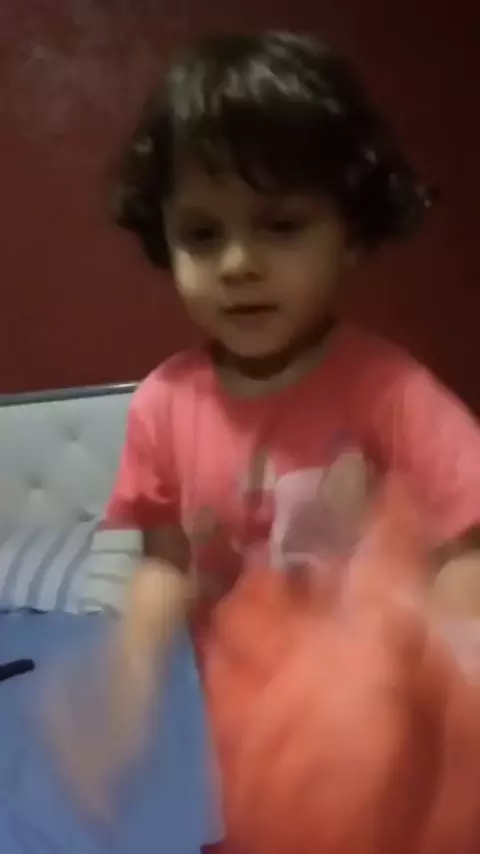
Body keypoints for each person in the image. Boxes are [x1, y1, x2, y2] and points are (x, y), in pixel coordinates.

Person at [58, 30, 480, 843]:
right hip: (255, 729)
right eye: (202, 234)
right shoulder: (162, 407)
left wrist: (460, 644)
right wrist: (129, 668)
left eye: (281, 225)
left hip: (387, 734)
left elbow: (467, 544)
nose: (238, 263)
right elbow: (165, 562)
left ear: (349, 234)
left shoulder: (392, 395)